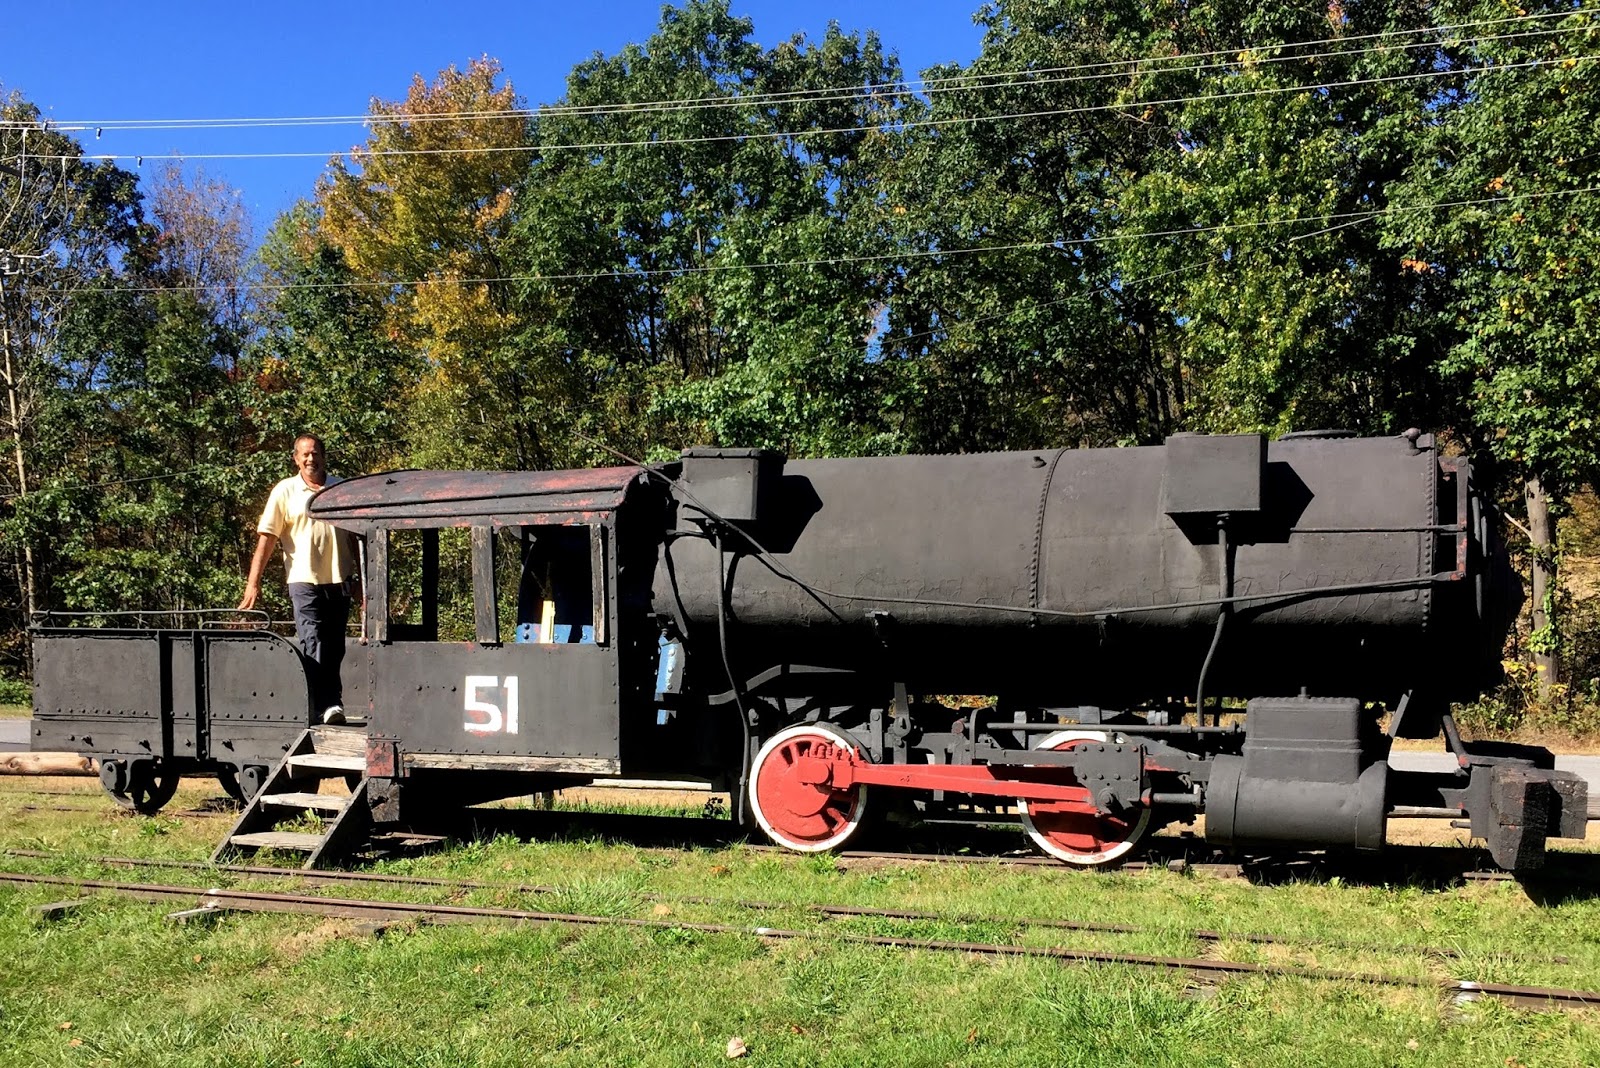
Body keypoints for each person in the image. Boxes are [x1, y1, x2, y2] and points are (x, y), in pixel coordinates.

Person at [238, 433, 360, 725]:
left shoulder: (340, 488)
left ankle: (328, 702)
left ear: (324, 456)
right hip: (303, 579)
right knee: (312, 639)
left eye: (316, 453)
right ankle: (325, 704)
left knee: (336, 645)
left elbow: (356, 538)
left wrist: (362, 582)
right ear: (295, 458)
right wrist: (253, 583)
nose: (311, 458)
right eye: (305, 454)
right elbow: (267, 539)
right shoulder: (285, 491)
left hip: (339, 578)